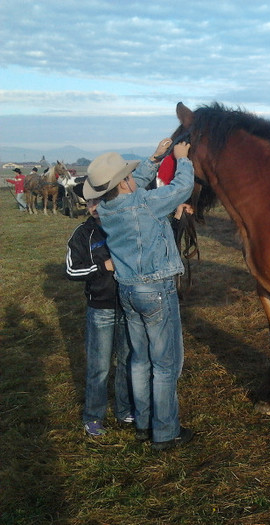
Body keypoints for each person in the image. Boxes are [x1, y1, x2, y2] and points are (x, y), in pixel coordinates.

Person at [83, 139, 194, 451]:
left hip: (128, 290)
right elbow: (181, 188)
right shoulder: (145, 203)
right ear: (125, 180)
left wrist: (156, 158)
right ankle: (166, 432)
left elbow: (133, 186)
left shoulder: (106, 208)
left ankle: (143, 423)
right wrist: (182, 159)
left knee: (140, 360)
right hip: (157, 289)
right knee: (165, 364)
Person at [65, 184, 135, 437]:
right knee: (99, 366)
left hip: (129, 304)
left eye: (99, 202)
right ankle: (93, 416)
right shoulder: (83, 234)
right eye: (90, 202)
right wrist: (102, 266)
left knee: (127, 362)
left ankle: (124, 409)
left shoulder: (124, 226)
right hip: (100, 309)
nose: (94, 208)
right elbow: (72, 270)